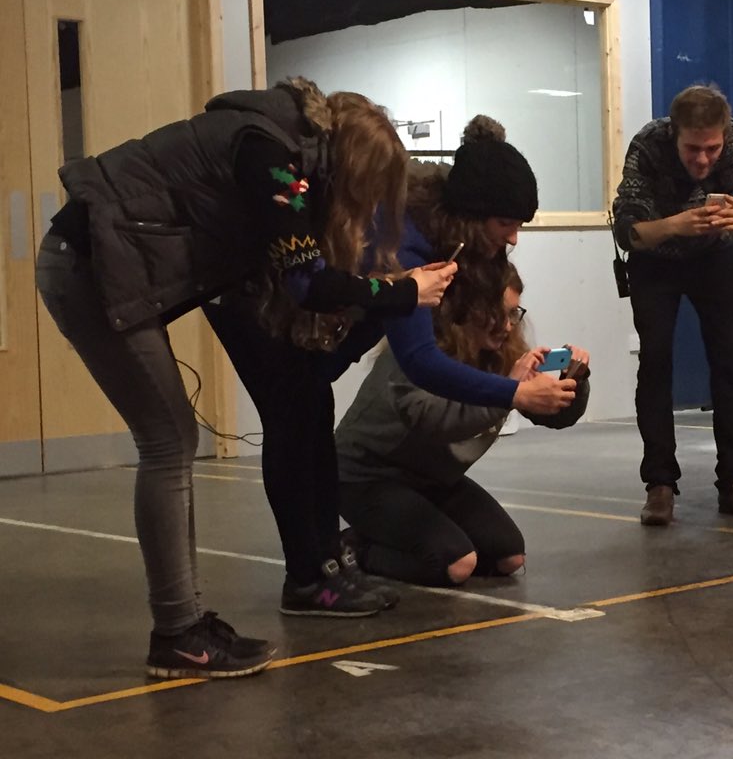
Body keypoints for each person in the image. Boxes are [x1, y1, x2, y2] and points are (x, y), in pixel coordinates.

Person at [34, 77, 456, 679]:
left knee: (176, 437)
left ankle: (187, 626)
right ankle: (179, 633)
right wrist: (406, 291)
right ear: (350, 167)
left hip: (98, 260)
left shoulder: (278, 143)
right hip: (90, 263)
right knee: (169, 441)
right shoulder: (270, 157)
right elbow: (308, 282)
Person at [202, 113, 578, 617]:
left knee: (309, 410)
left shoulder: (454, 241)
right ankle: (311, 578)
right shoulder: (404, 235)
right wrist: (511, 394)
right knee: (297, 418)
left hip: (321, 325)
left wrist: (562, 384)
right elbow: (418, 361)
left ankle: (323, 568)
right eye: (507, 225)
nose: (513, 239)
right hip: (255, 299)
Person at [334, 263, 590, 586]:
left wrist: (574, 383)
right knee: (457, 563)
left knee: (509, 556)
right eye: (499, 313)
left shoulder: (500, 351)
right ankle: (356, 548)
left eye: (514, 313)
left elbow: (554, 417)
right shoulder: (417, 352)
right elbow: (435, 422)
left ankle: (399, 533)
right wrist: (510, 392)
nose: (508, 326)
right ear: (469, 308)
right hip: (366, 477)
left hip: (431, 477)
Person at [612, 84, 733, 526]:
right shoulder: (648, 144)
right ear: (674, 134)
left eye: (712, 149)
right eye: (692, 149)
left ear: (725, 136)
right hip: (655, 261)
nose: (703, 160)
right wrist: (676, 224)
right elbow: (628, 231)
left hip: (715, 257)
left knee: (729, 365)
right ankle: (660, 484)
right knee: (655, 363)